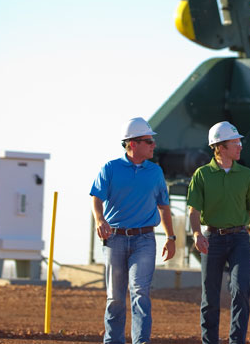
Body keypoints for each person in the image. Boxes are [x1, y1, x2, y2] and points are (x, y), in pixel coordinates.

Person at [90, 117, 177, 344]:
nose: (153, 145)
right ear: (132, 144)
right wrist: (100, 219)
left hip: (145, 240)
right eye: (149, 141)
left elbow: (164, 207)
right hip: (115, 239)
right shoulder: (110, 168)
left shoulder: (156, 172)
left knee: (140, 292)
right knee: (115, 298)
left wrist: (171, 237)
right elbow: (96, 197)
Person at [187, 121, 250, 344]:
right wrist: (196, 234)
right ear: (219, 146)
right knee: (209, 297)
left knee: (241, 291)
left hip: (240, 239)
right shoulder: (202, 175)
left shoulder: (247, 175)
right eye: (235, 142)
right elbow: (194, 211)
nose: (240, 145)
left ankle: (236, 341)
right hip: (212, 239)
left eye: (239, 141)